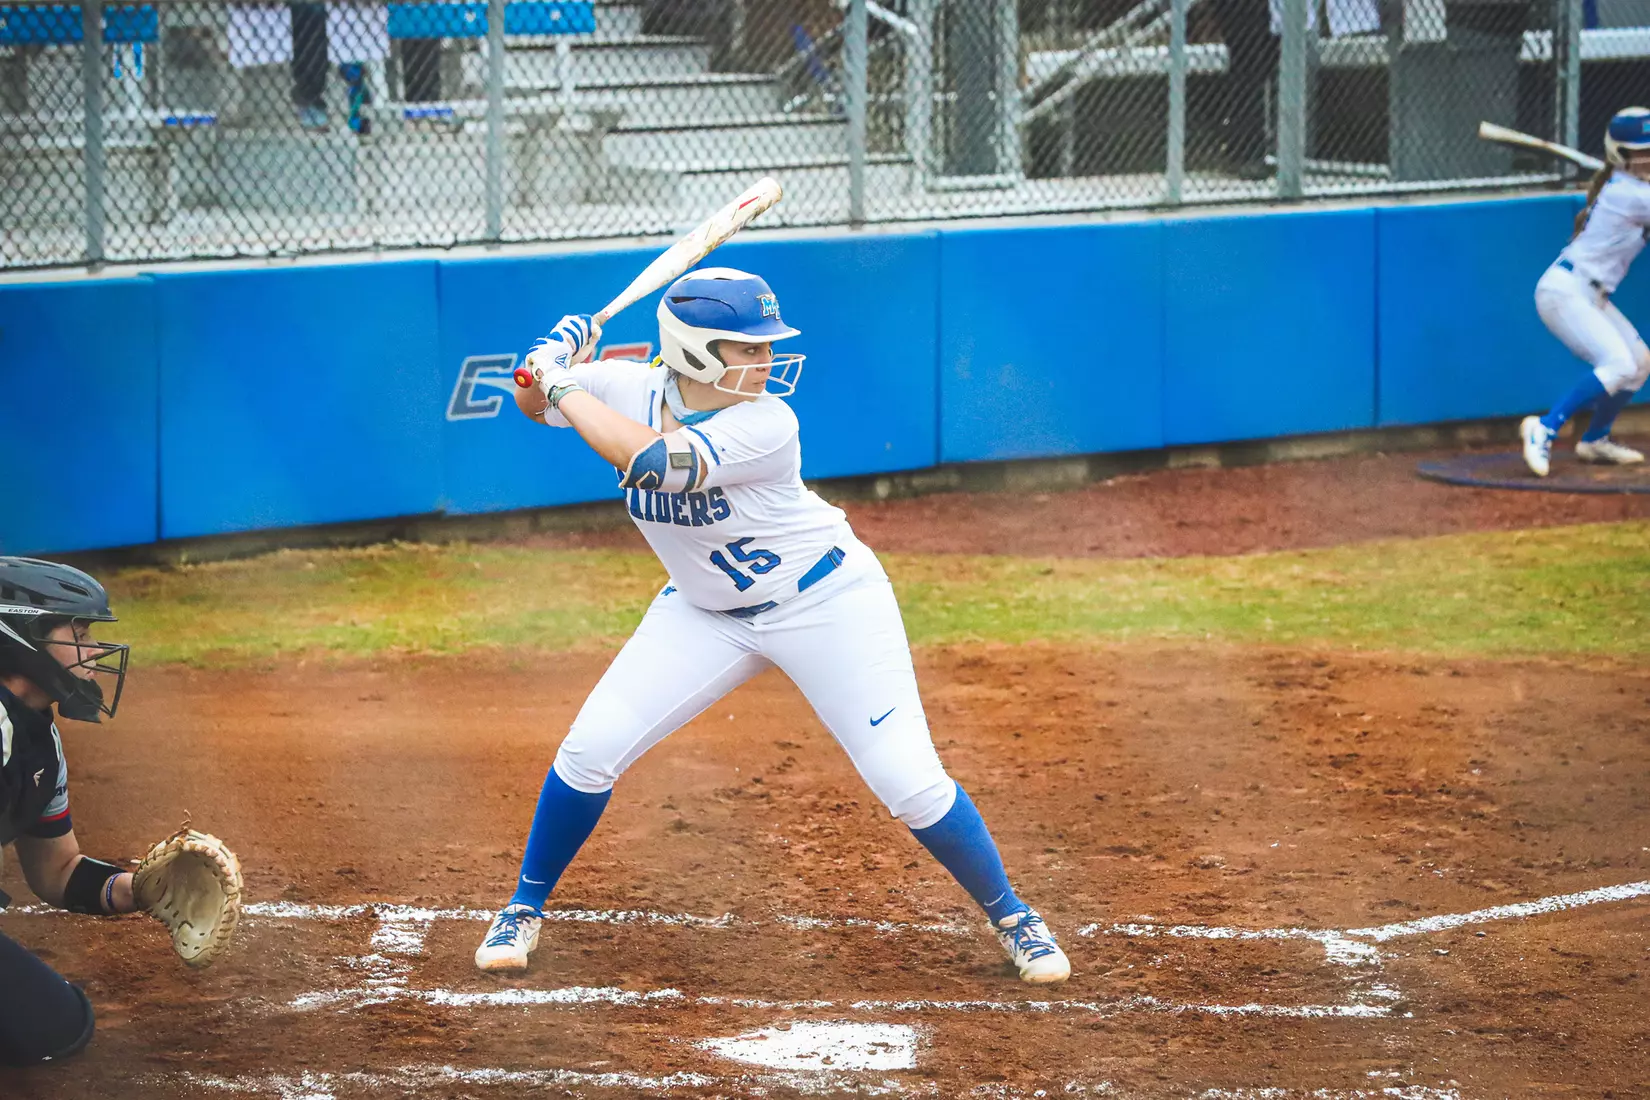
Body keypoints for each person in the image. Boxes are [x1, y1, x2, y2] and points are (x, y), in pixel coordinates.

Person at [473, 269, 1072, 985]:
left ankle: (1014, 916)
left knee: (907, 781)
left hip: (826, 603)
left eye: (766, 347)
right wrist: (548, 360)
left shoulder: (768, 423)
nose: (766, 361)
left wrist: (562, 379)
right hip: (703, 612)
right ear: (693, 352)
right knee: (588, 750)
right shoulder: (622, 388)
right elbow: (532, 402)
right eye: (748, 349)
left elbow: (651, 462)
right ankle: (523, 907)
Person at [0, 557, 136, 1067]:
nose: (95, 650)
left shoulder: (37, 737)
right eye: (78, 632)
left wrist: (141, 889)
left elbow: (58, 870)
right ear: (21, 635)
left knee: (59, 1025)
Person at [1521, 107, 1650, 476]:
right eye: (1641, 153)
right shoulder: (1630, 195)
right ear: (1620, 155)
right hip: (1565, 292)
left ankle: (1595, 440)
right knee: (1618, 364)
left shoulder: (1634, 189)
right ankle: (1544, 428)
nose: (1648, 158)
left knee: (1639, 362)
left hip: (1590, 294)